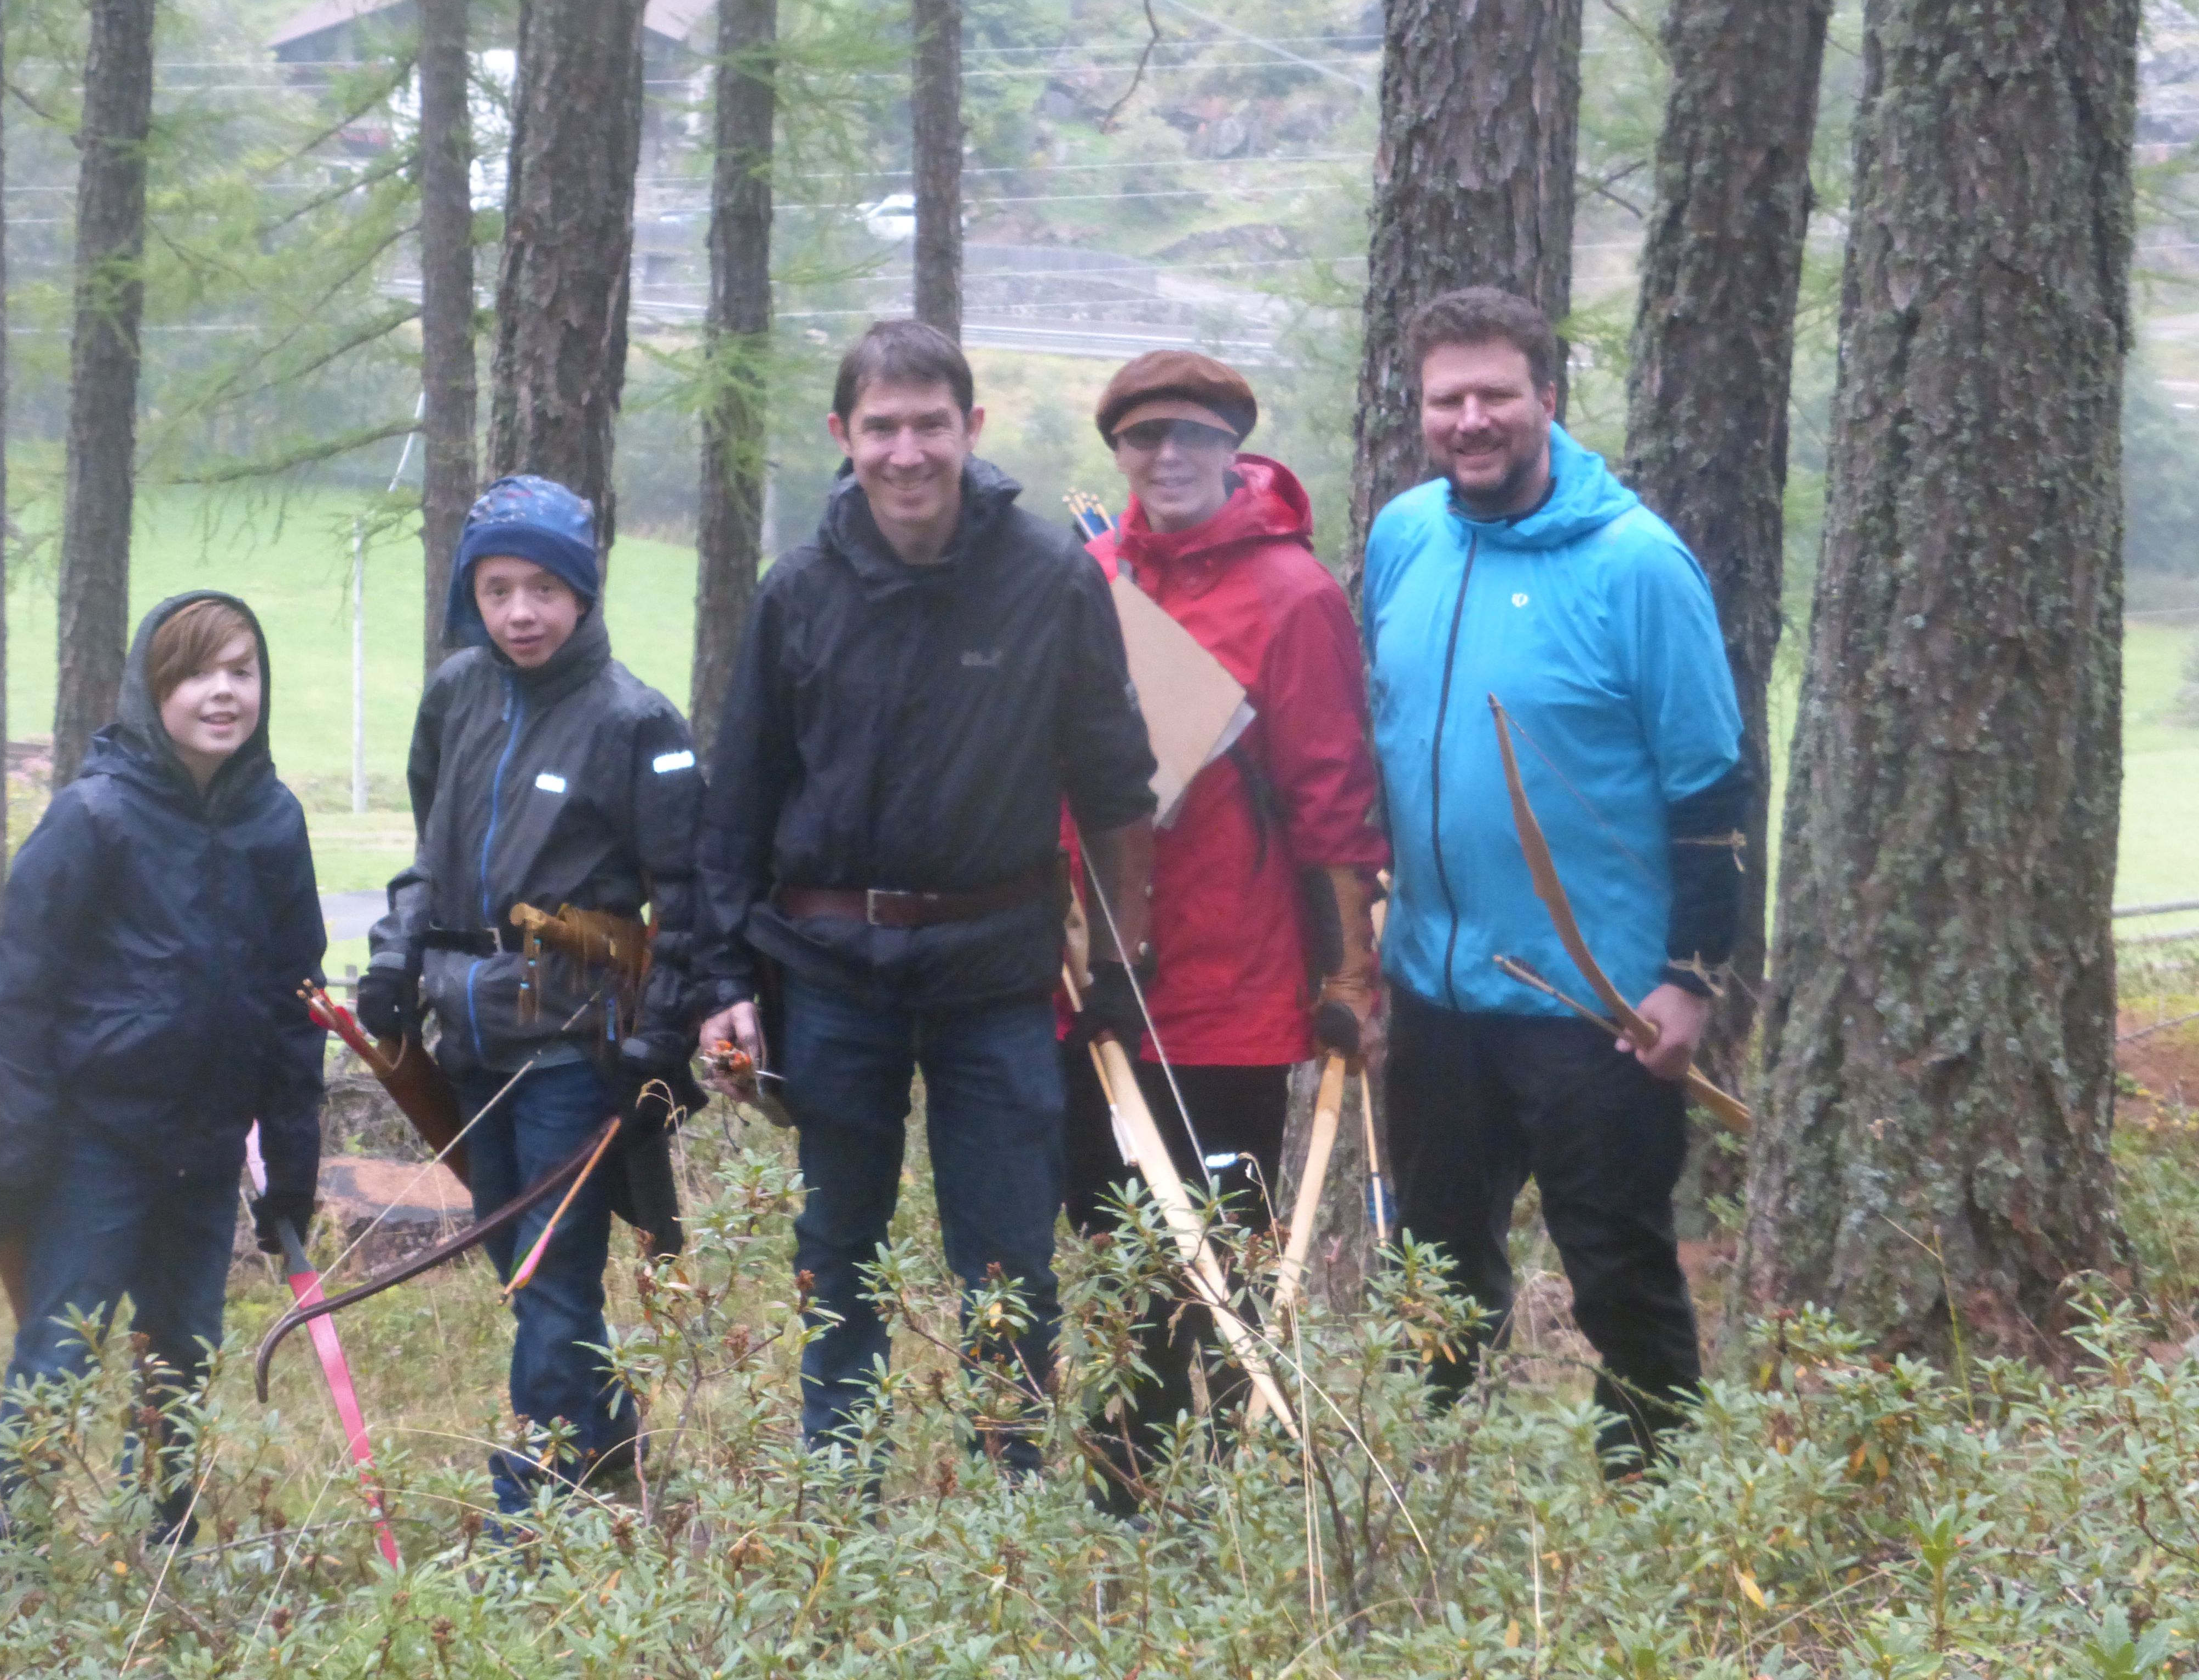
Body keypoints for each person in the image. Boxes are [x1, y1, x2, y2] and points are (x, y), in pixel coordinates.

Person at [694, 319, 1159, 1476]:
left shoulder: (1053, 581)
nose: (908, 452)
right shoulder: (795, 593)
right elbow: (738, 800)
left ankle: (1008, 1506)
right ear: (843, 436)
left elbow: (1116, 786)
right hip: (828, 973)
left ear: (973, 430)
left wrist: (1113, 959)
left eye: (931, 425)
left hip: (995, 974)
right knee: (835, 1246)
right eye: (883, 426)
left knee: (1006, 1254)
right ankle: (839, 1499)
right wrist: (719, 979)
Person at [1360, 286, 1747, 1467]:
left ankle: (1657, 1513)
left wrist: (1687, 983)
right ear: (1421, 410)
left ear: (1548, 399)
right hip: (1434, 988)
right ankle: (1434, 1516)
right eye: (1447, 400)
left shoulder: (1637, 566)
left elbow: (1714, 792)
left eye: (1496, 395)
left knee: (1619, 1272)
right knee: (1433, 1273)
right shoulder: (1405, 536)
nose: (1471, 420)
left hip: (1598, 1007)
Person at [1057, 350, 1389, 1504]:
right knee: (1111, 1258)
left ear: (1233, 448)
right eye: (1144, 440)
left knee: (1220, 1269)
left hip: (1232, 1000)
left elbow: (1334, 797)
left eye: (1192, 436)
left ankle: (1228, 1500)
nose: (1166, 458)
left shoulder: (1297, 596)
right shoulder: (1091, 575)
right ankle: (1122, 1502)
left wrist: (1350, 972)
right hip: (1098, 991)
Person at [359, 475, 705, 1519]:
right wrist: (394, 956)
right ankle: (608, 1442)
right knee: (521, 1262)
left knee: (549, 1276)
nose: (521, 612)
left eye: (544, 589)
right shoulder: (456, 694)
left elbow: (685, 899)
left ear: (583, 593)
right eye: (499, 588)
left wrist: (662, 1039)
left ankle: (533, 1499)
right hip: (466, 1037)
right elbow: (431, 858)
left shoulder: (637, 720)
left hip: (570, 1049)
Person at [0, 591, 327, 1555]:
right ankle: (5, 1561)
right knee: (61, 1354)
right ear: (150, 690)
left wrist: (291, 1158)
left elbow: (296, 1000)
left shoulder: (274, 822)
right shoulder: (95, 816)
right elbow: (15, 995)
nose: (222, 693)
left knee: (183, 1356)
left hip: (207, 1151)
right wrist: (28, 1144)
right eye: (197, 674)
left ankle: (160, 1552)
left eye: (241, 671)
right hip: (98, 1145)